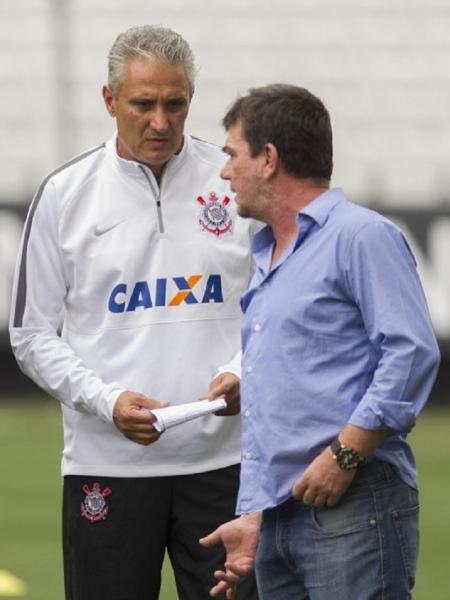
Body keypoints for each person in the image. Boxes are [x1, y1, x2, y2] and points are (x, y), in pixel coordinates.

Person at [9, 25, 258, 600]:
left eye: (176, 103)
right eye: (143, 104)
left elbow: (276, 307)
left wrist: (247, 371)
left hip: (226, 464)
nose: (161, 121)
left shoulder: (235, 182)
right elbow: (30, 334)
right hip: (109, 466)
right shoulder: (65, 194)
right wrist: (106, 401)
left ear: (191, 99)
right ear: (109, 100)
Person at [200, 84, 441, 599]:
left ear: (268, 159)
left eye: (231, 155)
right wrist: (256, 514)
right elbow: (282, 401)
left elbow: (411, 353)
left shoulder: (360, 236)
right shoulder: (266, 251)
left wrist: (344, 456)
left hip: (355, 500)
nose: (224, 172)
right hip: (280, 519)